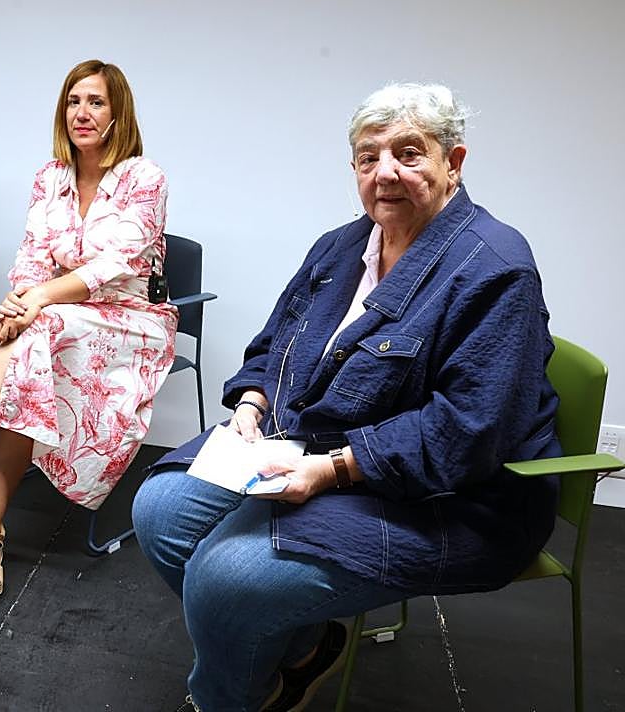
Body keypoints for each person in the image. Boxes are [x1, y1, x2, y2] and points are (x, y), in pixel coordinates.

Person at [132, 83, 560, 712]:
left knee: (224, 580)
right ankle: (303, 648)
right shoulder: (342, 244)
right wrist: (251, 406)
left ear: (454, 163)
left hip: (455, 497)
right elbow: (279, 340)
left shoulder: (496, 266)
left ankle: (231, 698)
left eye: (409, 152)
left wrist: (333, 469)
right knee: (160, 511)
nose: (385, 171)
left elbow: (467, 430)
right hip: (314, 444)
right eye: (368, 157)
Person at [0, 60, 178, 599]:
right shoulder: (51, 176)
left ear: (119, 114)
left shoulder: (144, 177)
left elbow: (116, 264)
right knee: (29, 359)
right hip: (55, 323)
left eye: (96, 102)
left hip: (134, 322)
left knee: (36, 338)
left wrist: (36, 302)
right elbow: (34, 255)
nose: (81, 113)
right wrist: (16, 303)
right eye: (73, 101)